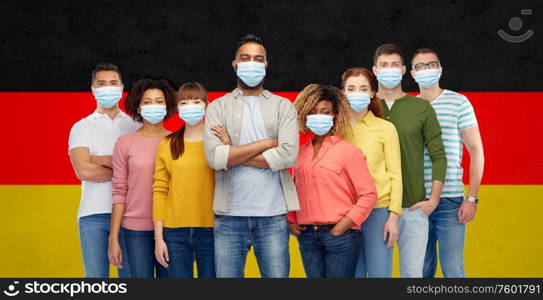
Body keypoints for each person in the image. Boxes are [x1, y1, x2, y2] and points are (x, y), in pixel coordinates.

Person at [203, 33, 300, 278]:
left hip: (273, 217)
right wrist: (268, 143)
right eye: (245, 58)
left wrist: (233, 150)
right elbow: (215, 158)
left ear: (266, 65)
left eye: (258, 59)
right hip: (229, 218)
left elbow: (287, 156)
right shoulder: (217, 107)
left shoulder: (283, 106)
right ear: (235, 64)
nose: (252, 63)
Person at [372, 44, 447, 277]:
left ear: (404, 69)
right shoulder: (364, 106)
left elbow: (438, 156)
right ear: (375, 70)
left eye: (395, 65)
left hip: (413, 208)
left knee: (413, 277)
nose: (390, 70)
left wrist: (433, 200)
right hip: (375, 209)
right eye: (384, 65)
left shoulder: (421, 107)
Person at [288, 84, 377, 278]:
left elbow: (368, 194)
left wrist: (342, 227)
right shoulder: (298, 154)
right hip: (307, 236)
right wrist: (291, 221)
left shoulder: (349, 152)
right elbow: (292, 191)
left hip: (341, 235)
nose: (318, 116)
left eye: (325, 112)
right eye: (313, 112)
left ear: (335, 115)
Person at [410, 48, 485, 278]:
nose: (426, 70)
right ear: (412, 74)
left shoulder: (459, 102)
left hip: (450, 201)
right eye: (420, 66)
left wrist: (471, 198)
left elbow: (476, 151)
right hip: (416, 202)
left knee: (453, 270)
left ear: (440, 69)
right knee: (422, 271)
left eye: (431, 64)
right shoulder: (407, 108)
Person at [68, 62, 140, 278]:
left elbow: (144, 172)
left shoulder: (135, 126)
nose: (107, 87)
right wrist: (125, 170)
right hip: (93, 214)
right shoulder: (81, 127)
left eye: (113, 83)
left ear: (121, 88)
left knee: (130, 278)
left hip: (131, 214)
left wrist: (101, 159)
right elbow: (84, 172)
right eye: (101, 83)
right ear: (93, 89)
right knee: (96, 281)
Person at [108, 78, 177, 278]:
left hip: (171, 228)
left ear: (167, 106)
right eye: (147, 102)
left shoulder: (177, 141)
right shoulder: (124, 143)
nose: (153, 106)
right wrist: (114, 238)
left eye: (159, 101)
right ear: (138, 107)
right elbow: (119, 191)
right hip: (135, 229)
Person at [341, 67, 402, 278]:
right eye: (351, 88)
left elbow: (396, 175)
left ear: (372, 92)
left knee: (379, 276)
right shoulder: (334, 129)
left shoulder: (386, 128)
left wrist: (393, 217)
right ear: (343, 93)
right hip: (345, 215)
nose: (357, 93)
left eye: (363, 88)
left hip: (378, 213)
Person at [153, 82, 216, 278]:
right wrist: (159, 238)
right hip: (174, 232)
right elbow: (159, 190)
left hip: (213, 230)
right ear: (177, 107)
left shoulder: (219, 141)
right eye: (184, 102)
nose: (191, 106)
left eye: (196, 101)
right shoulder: (168, 144)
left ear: (206, 105)